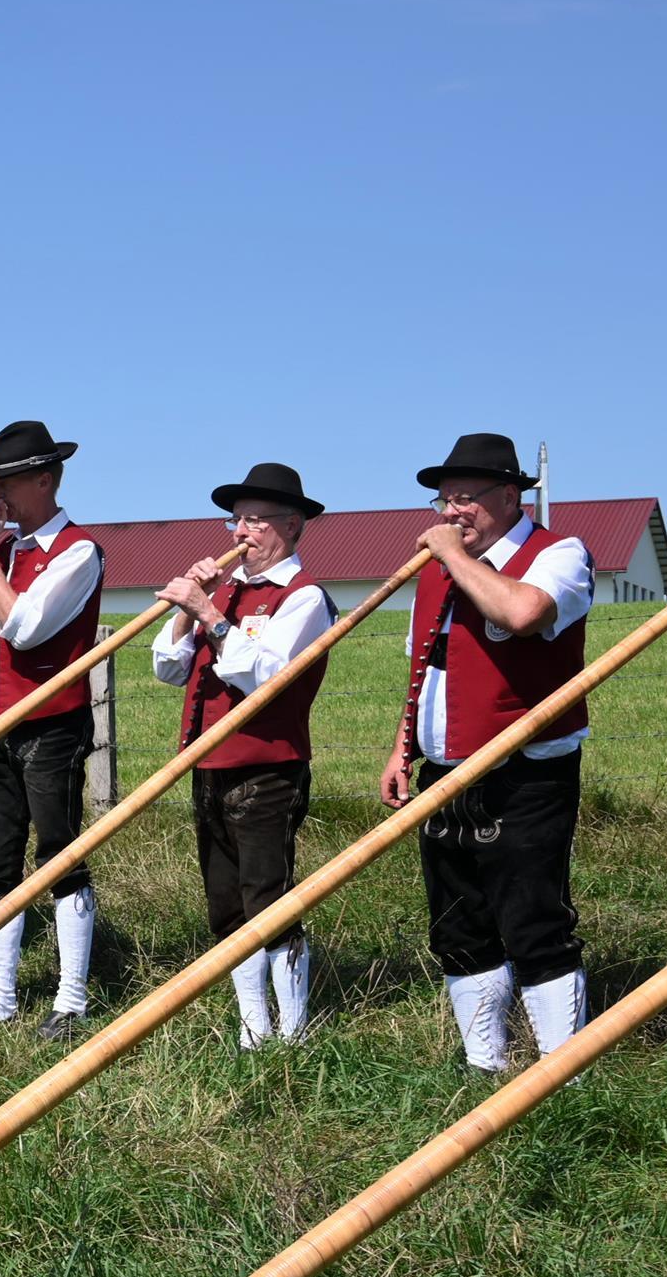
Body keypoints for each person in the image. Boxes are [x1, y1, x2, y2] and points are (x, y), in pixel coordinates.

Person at [378, 432, 595, 1073]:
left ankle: (561, 1066)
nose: (452, 513)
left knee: (533, 917)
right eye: (445, 500)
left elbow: (524, 612)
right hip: (444, 768)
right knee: (457, 920)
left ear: (510, 495)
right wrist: (402, 749)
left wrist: (453, 557)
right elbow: (429, 665)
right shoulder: (442, 568)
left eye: (467, 498)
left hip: (526, 769)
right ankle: (487, 1062)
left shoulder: (558, 553)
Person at [152, 462, 340, 1047]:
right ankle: (253, 1030)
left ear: (292, 525)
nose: (240, 532)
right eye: (236, 520)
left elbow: (266, 673)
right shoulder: (225, 592)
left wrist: (209, 616)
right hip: (206, 765)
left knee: (270, 899)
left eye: (255, 521)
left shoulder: (304, 597)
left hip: (267, 768)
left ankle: (294, 1034)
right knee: (227, 905)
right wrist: (192, 605)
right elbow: (166, 666)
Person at [0, 419, 104, 1038]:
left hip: (52, 724)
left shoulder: (78, 551)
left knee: (60, 855)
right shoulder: (7, 549)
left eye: (7, 481)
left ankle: (70, 1000)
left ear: (46, 478)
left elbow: (25, 628)